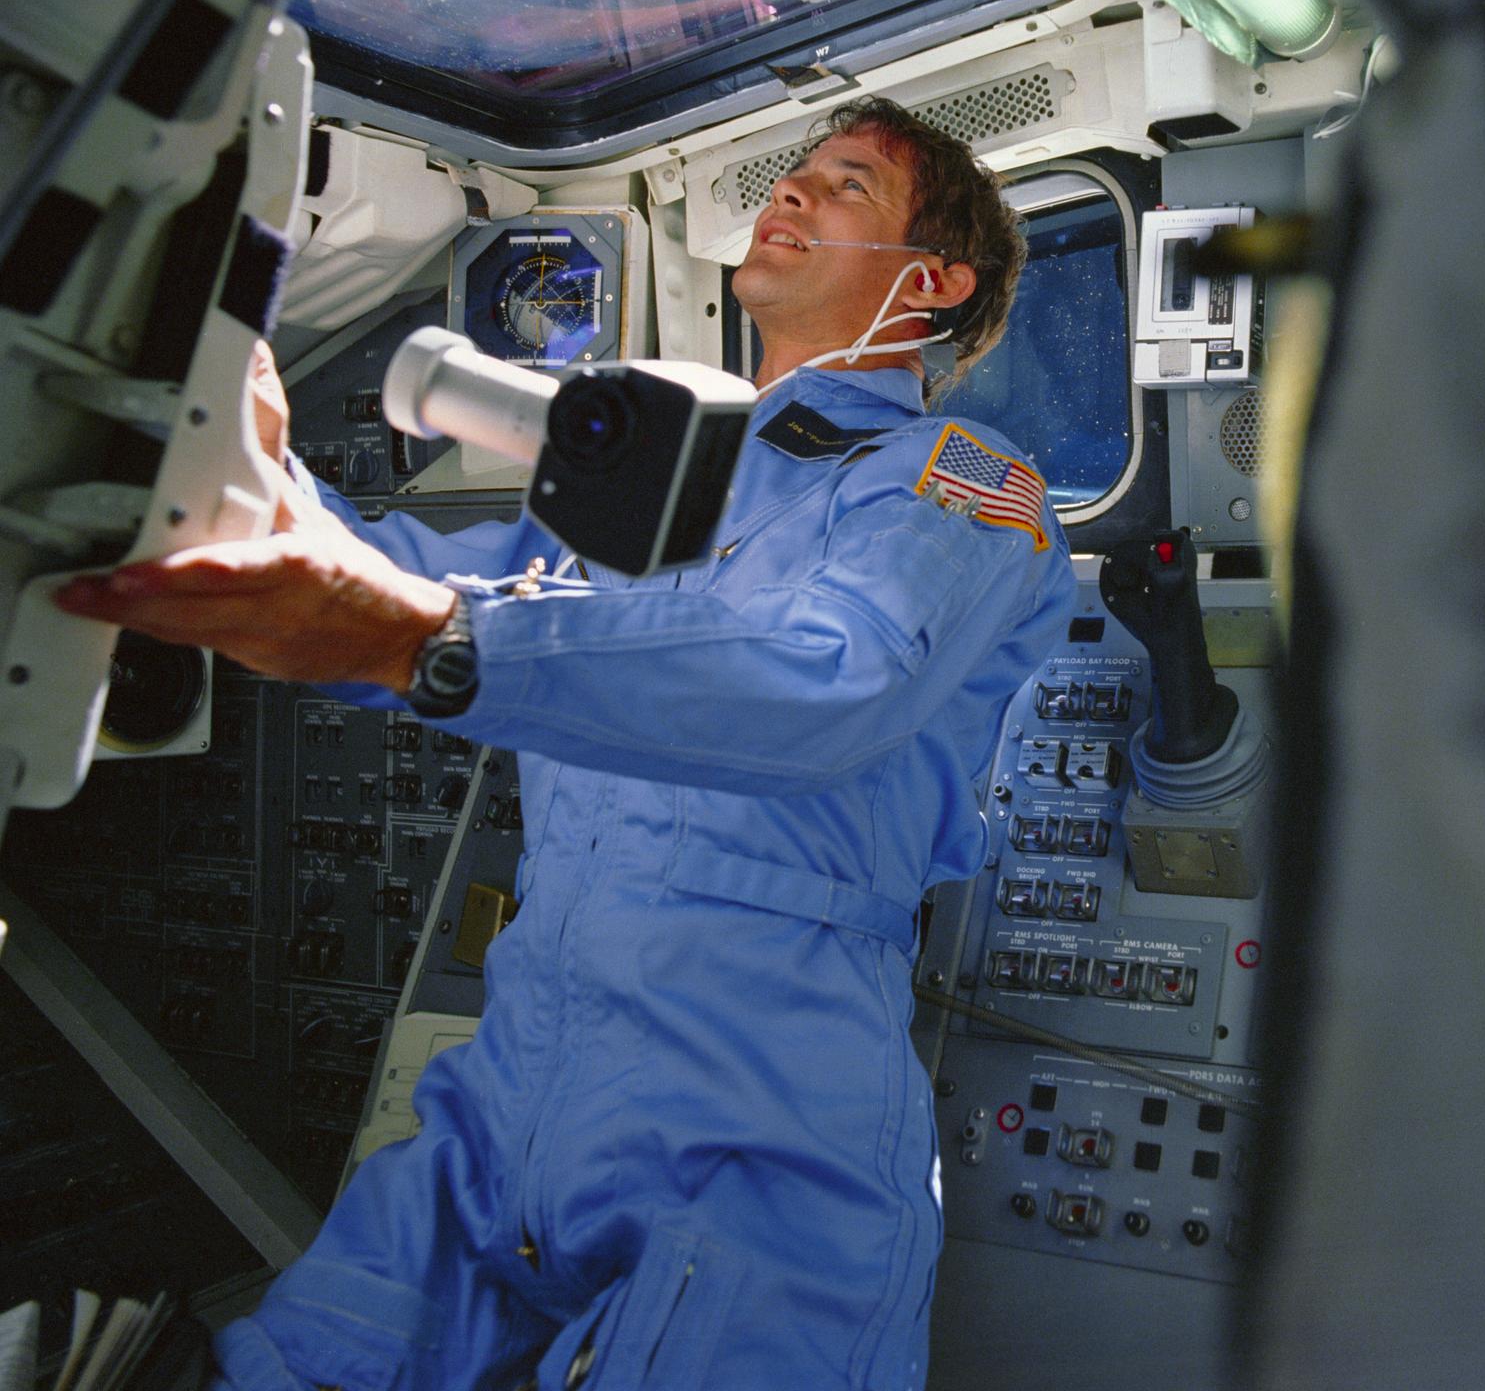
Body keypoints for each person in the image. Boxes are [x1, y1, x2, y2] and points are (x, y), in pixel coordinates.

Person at [56, 98, 1076, 1391]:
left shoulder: (953, 477)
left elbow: (828, 684)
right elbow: (409, 576)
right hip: (524, 1059)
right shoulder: (650, 473)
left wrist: (424, 640)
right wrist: (243, 470)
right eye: (796, 174)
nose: (796, 193)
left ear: (931, 282)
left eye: (851, 186)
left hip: (764, 1088)